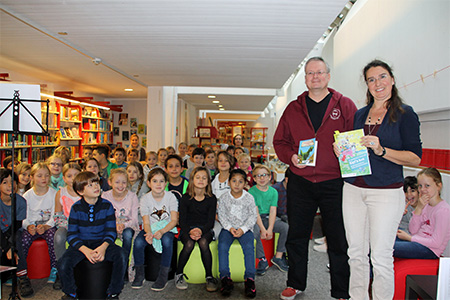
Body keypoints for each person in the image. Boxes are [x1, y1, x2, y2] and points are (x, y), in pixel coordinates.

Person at [273, 56, 356, 300]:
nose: (315, 77)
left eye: (319, 72)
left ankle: (341, 291)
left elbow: (355, 139)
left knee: (338, 237)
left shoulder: (346, 105)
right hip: (301, 181)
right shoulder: (293, 108)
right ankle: (295, 283)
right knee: (297, 235)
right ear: (306, 79)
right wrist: (292, 157)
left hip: (335, 182)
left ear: (328, 76)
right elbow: (280, 142)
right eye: (310, 73)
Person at [340, 59, 422, 300]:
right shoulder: (360, 114)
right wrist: (342, 151)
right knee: (355, 253)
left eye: (382, 77)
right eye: (372, 79)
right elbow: (354, 152)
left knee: (381, 257)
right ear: (367, 85)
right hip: (354, 189)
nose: (378, 83)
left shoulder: (405, 114)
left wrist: (382, 150)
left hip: (386, 192)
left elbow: (415, 158)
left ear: (392, 80)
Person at [58, 171, 126, 300]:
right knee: (63, 262)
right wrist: (85, 250)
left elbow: (111, 232)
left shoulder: (107, 205)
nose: (96, 187)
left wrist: (103, 247)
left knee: (121, 255)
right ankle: (70, 293)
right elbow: (72, 235)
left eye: (96, 183)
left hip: (102, 242)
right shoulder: (76, 208)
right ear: (80, 191)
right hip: (82, 244)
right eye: (90, 185)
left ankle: (114, 292)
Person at [131, 168, 178, 291]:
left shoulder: (171, 197)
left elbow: (173, 220)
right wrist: (149, 233)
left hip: (167, 228)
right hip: (150, 228)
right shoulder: (145, 199)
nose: (158, 184)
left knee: (167, 241)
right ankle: (139, 274)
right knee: (139, 242)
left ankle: (163, 275)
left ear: (166, 183)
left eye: (162, 181)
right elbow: (146, 221)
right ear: (149, 183)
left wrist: (162, 231)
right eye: (155, 181)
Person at [175, 167, 218, 291]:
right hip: (187, 229)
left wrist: (200, 231)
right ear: (192, 180)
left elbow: (210, 222)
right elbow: (182, 221)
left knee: (203, 242)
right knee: (189, 243)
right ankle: (179, 274)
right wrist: (191, 231)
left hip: (205, 229)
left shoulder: (211, 198)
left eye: (204, 178)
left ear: (208, 181)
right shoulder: (185, 198)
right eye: (198, 177)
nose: (201, 180)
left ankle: (209, 276)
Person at [217, 169, 257, 298]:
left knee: (249, 248)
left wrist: (243, 229)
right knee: (222, 246)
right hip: (228, 229)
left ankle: (250, 279)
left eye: (240, 181)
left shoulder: (249, 197)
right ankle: (225, 277)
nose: (237, 184)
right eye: (234, 181)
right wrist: (229, 228)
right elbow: (221, 215)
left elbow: (253, 216)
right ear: (229, 182)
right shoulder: (224, 197)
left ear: (245, 183)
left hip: (245, 229)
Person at [394, 168, 450, 259]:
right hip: (417, 242)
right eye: (420, 186)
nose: (423, 189)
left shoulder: (443, 210)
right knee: (381, 240)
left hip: (430, 250)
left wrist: (409, 238)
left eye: (427, 186)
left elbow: (436, 243)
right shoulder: (425, 205)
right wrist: (419, 208)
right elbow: (413, 230)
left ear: (438, 186)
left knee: (386, 247)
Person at [0, 168, 34, 297]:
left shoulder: (20, 201)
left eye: (12, 181)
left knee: (18, 241)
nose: (10, 185)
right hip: (1, 234)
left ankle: (22, 276)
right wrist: (6, 247)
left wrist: (11, 247)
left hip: (13, 232)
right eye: (5, 182)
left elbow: (16, 226)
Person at [22, 162, 58, 285]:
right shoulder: (27, 196)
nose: (44, 178)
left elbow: (55, 215)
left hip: (48, 226)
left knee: (52, 237)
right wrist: (28, 226)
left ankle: (54, 269)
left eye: (47, 175)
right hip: (32, 226)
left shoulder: (54, 194)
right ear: (32, 177)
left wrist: (47, 226)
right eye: (39, 175)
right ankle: (22, 270)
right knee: (23, 240)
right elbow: (23, 217)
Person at [250, 165, 289, 275]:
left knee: (285, 227)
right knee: (255, 231)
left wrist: (270, 228)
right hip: (256, 218)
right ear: (254, 178)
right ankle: (262, 259)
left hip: (269, 217)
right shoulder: (251, 192)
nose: (262, 178)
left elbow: (273, 211)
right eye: (258, 176)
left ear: (270, 177)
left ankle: (278, 256)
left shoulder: (273, 192)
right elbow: (255, 213)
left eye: (265, 175)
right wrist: (263, 229)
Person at [102, 168, 139, 280]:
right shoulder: (105, 196)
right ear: (110, 182)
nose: (120, 185)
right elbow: (103, 217)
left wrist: (124, 225)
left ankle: (124, 267)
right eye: (117, 182)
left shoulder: (132, 196)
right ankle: (109, 266)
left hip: (128, 226)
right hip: (110, 226)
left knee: (127, 235)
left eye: (124, 182)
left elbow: (135, 219)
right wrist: (114, 225)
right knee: (105, 236)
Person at [53, 162, 82, 290]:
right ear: (64, 178)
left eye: (76, 175)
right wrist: (70, 227)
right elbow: (58, 215)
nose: (72, 179)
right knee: (59, 236)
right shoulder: (60, 193)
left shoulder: (85, 191)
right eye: (69, 176)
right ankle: (61, 270)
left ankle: (79, 270)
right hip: (66, 225)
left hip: (83, 225)